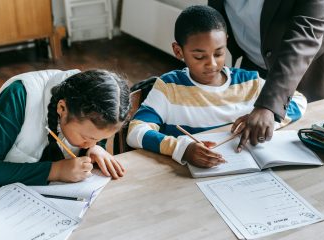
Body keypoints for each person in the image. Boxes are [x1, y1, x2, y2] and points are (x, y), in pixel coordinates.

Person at [126, 5, 307, 168]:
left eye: (219, 53)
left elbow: (299, 100)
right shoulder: (169, 87)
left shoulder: (248, 81)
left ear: (226, 42)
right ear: (178, 51)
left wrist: (265, 122)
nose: (212, 64)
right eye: (199, 57)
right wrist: (182, 149)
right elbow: (136, 131)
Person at [209, 0, 324, 148]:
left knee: (308, 142)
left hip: (310, 68)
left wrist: (268, 105)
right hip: (253, 58)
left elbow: (304, 37)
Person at [0, 69, 130, 187]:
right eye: (87, 138)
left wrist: (95, 148)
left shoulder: (87, 106)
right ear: (62, 108)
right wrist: (55, 171)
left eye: (100, 139)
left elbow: (93, 136)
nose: (91, 143)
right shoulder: (18, 95)